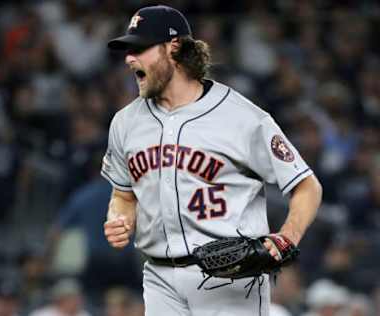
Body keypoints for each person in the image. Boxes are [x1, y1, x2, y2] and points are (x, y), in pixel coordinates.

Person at [101, 5, 323, 316]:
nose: (129, 59)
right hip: (159, 277)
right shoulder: (125, 122)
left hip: (232, 279)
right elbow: (123, 194)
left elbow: (307, 186)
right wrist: (119, 218)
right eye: (128, 50)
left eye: (139, 48)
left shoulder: (242, 117)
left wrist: (287, 236)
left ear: (173, 47)